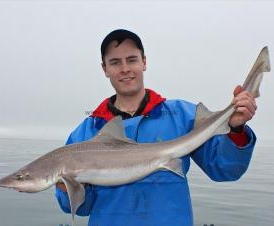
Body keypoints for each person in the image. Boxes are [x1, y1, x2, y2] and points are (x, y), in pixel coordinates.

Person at [55, 29, 257, 226]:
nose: (125, 68)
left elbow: (225, 170)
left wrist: (236, 130)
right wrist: (67, 188)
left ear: (144, 62)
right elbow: (81, 208)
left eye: (131, 59)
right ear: (105, 69)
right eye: (115, 62)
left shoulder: (183, 116)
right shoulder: (85, 134)